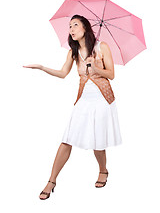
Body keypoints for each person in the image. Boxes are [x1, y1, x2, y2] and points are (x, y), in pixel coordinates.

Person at [23, 14, 122, 200]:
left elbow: (112, 74)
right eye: (69, 26)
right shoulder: (73, 51)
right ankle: (51, 181)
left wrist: (96, 68)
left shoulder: (102, 47)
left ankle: (103, 170)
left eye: (75, 25)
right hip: (83, 100)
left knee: (97, 141)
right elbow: (62, 73)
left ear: (85, 27)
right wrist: (42, 68)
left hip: (103, 99)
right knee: (67, 138)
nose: (71, 29)